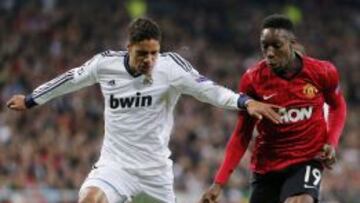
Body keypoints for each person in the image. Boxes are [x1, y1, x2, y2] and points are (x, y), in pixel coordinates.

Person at [6, 18, 281, 203]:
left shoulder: (171, 67)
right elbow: (70, 79)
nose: (149, 60)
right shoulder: (105, 64)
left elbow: (210, 90)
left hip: (155, 172)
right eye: (142, 54)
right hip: (116, 166)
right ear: (129, 48)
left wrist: (245, 102)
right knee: (90, 199)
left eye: (154, 53)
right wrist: (31, 99)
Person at [200, 14, 347, 203]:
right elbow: (242, 134)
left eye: (276, 46)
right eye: (265, 46)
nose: (269, 53)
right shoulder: (253, 80)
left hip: (307, 159)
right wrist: (218, 183)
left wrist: (331, 142)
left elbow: (337, 105)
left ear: (291, 44)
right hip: (267, 166)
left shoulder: (322, 72)